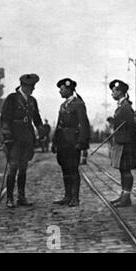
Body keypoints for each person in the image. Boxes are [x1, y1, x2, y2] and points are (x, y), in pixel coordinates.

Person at [1, 74, 43, 208]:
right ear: (23, 86)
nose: (33, 89)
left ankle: (21, 197)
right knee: (13, 168)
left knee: (23, 168)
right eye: (31, 87)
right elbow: (5, 118)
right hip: (14, 139)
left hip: (27, 138)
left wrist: (42, 132)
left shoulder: (32, 101)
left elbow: (36, 118)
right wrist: (7, 137)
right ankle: (9, 198)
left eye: (33, 86)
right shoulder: (11, 99)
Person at [52, 78, 90, 207]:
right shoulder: (63, 105)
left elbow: (84, 124)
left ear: (69, 89)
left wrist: (82, 142)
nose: (60, 92)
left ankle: (75, 198)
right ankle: (67, 196)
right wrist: (54, 141)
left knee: (73, 169)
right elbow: (58, 125)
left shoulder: (78, 104)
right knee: (64, 169)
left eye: (62, 89)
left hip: (73, 142)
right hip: (62, 142)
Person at [108, 79, 136, 207]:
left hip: (126, 143)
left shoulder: (126, 107)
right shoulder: (121, 106)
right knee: (122, 170)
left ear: (120, 92)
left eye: (113, 91)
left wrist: (130, 142)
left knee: (126, 170)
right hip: (121, 141)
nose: (112, 94)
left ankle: (126, 197)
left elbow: (132, 127)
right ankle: (123, 195)